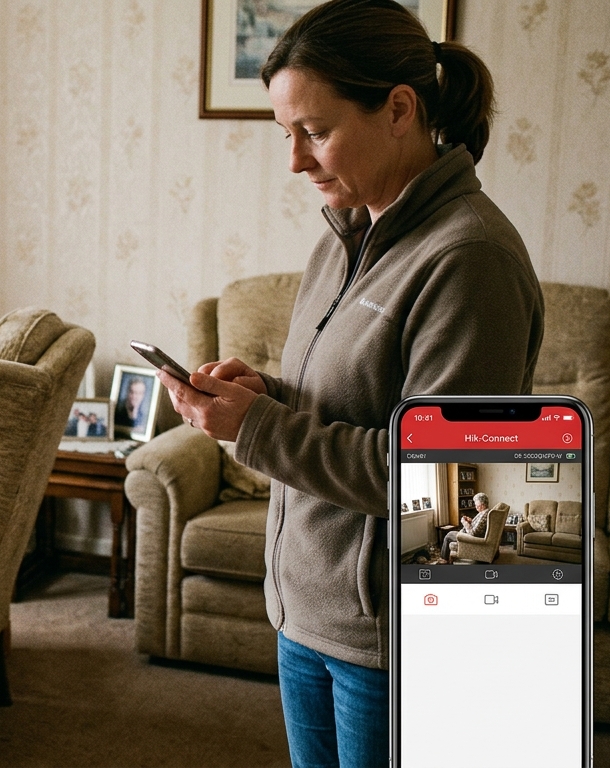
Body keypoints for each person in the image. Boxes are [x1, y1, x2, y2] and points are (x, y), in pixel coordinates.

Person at [155, 2, 543, 765]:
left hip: (390, 641)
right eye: (286, 134)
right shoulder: (343, 238)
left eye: (316, 131)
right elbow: (351, 407)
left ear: (400, 109)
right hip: (306, 611)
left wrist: (256, 430)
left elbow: (448, 488)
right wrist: (262, 395)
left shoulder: (470, 260)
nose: (296, 161)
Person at [441, 493, 490, 562]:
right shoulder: (485, 512)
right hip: (469, 534)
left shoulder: (484, 515)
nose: (475, 506)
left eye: (476, 504)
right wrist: (470, 521)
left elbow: (473, 532)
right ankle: (445, 558)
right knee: (451, 534)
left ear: (482, 505)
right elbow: (478, 526)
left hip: (470, 538)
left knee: (448, 535)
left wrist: (464, 522)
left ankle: (444, 559)